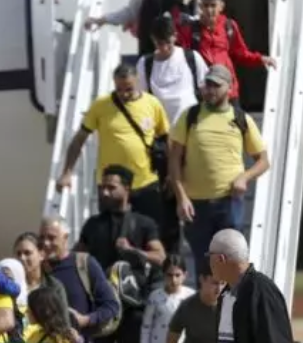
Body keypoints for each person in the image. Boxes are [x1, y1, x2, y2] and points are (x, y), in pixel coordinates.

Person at [169, 64, 269, 277]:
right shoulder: (190, 116)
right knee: (204, 267)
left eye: (216, 85)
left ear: (229, 88)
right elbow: (174, 159)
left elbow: (263, 161)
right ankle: (210, 310)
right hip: (196, 205)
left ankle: (235, 307)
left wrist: (245, 177)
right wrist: (181, 197)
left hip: (229, 203)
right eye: (207, 85)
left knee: (232, 263)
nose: (210, 90)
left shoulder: (241, 119)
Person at [57, 63, 171, 239]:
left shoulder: (152, 104)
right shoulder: (101, 106)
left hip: (146, 183)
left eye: (129, 89)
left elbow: (166, 139)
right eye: (119, 89)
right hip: (111, 187)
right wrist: (67, 173)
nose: (124, 94)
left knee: (151, 234)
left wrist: (170, 175)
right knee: (110, 236)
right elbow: (78, 140)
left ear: (138, 81)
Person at [77, 165, 167, 343]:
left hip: (133, 306)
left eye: (111, 187)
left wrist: (133, 251)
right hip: (101, 304)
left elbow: (160, 258)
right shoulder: (93, 224)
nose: (105, 192)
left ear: (126, 189)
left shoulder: (144, 223)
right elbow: (77, 256)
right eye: (102, 187)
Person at [176, 0, 276, 107]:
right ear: (200, 6)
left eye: (213, 5)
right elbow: (181, 58)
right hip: (204, 92)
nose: (209, 10)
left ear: (221, 6)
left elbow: (241, 53)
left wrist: (261, 59)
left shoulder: (229, 26)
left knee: (235, 125)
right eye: (205, 5)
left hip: (229, 92)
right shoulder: (190, 29)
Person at [38, 215, 120, 343]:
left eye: (51, 238)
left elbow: (111, 306)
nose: (45, 243)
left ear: (65, 238)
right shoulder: (36, 267)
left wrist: (85, 320)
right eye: (42, 238)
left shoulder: (84, 264)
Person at [137, 14, 208, 126]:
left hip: (190, 127)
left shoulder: (192, 57)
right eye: (159, 44)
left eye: (168, 42)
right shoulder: (145, 63)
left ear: (175, 36)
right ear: (152, 39)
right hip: (160, 131)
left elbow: (205, 90)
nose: (164, 48)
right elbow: (141, 97)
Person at [141, 254, 194, 343]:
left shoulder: (191, 296)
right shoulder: (155, 297)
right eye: (169, 275)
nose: (173, 280)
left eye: (177, 275)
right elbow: (146, 327)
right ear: (163, 275)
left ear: (185, 275)